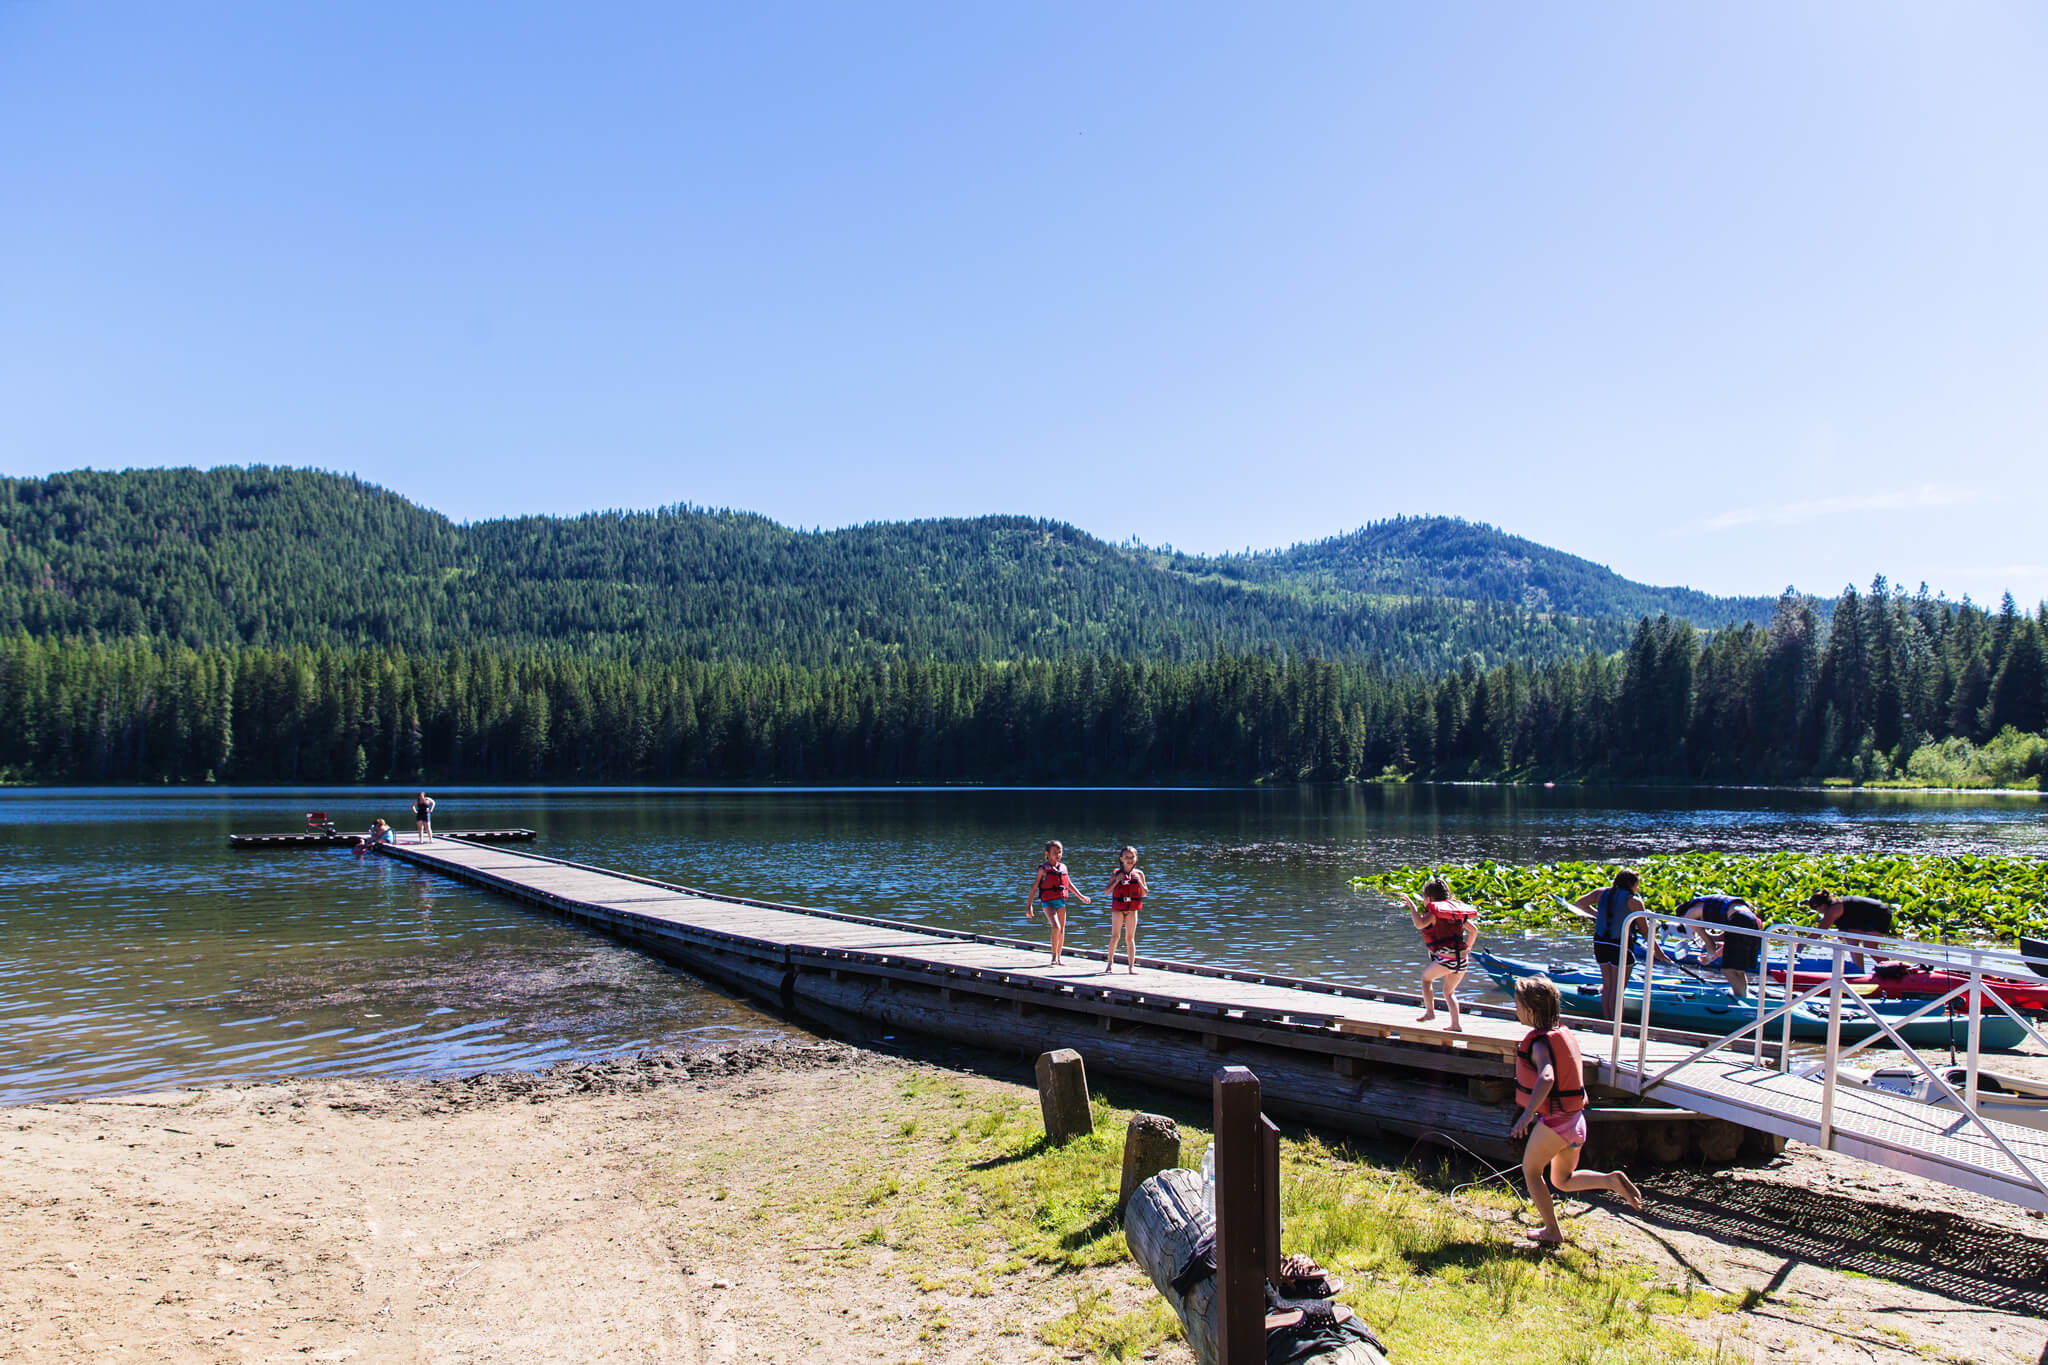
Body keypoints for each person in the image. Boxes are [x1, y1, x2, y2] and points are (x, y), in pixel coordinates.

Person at [1510, 974, 1644, 1246]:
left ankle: (1552, 1231)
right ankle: (1610, 1181)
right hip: (1576, 1122)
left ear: (1531, 1011)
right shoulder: (1561, 1034)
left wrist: (1527, 1115)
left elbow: (1547, 1077)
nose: (1516, 1010)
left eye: (1518, 1005)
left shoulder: (1539, 1044)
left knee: (1531, 1171)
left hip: (1556, 1124)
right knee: (1563, 1179)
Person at [1564, 869, 1668, 1021]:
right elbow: (1646, 931)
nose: (1637, 889)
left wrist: (1597, 914)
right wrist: (1658, 952)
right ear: (1631, 884)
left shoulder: (1600, 893)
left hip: (1600, 944)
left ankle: (1608, 1020)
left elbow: (1580, 903)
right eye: (1637, 885)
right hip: (1619, 946)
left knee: (1608, 986)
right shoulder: (1634, 902)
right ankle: (1615, 1023)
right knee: (1618, 988)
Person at [1399, 878, 1478, 1031]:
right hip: (1462, 960)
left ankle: (1430, 1012)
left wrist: (1412, 907)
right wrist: (1468, 947)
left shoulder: (1435, 912)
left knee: (1425, 979)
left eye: (1423, 899)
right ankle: (1455, 1025)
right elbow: (1474, 930)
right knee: (1449, 992)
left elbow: (1419, 924)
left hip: (1447, 959)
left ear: (1429, 899)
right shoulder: (1456, 913)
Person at [1677, 893, 1764, 999]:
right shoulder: (1703, 905)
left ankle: (1740, 999)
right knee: (1738, 970)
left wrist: (1708, 958)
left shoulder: (1689, 915)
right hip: (1751, 920)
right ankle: (1743, 997)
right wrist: (1712, 941)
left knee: (1728, 970)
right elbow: (1723, 937)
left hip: (1739, 920)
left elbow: (1711, 945)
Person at [1025, 840, 1090, 967]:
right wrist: (1029, 905)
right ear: (1047, 854)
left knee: (1062, 930)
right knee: (1056, 927)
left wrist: (1081, 897)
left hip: (1060, 902)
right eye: (1055, 852)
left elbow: (1069, 884)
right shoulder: (1043, 869)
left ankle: (1059, 958)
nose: (1058, 854)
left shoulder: (1063, 867)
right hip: (1048, 902)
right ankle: (1053, 956)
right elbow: (1034, 888)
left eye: (1060, 852)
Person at [1808, 890, 1896, 972]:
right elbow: (1846, 922)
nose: (1818, 912)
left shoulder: (1833, 909)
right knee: (1851, 942)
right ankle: (1859, 972)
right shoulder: (1834, 908)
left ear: (1822, 906)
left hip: (1879, 913)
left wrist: (1801, 944)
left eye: (1816, 909)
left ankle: (1893, 969)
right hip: (1861, 917)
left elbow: (1820, 931)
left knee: (1869, 946)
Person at [1103, 845, 1147, 975]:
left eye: (1132, 857)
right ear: (1121, 859)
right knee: (1115, 936)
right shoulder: (1116, 873)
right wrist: (1117, 881)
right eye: (1127, 857)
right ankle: (1109, 964)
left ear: (1136, 858)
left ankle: (1131, 967)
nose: (1129, 859)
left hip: (1132, 910)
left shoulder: (1139, 874)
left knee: (1130, 938)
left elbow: (1144, 893)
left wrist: (1139, 882)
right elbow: (1106, 892)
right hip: (1118, 909)